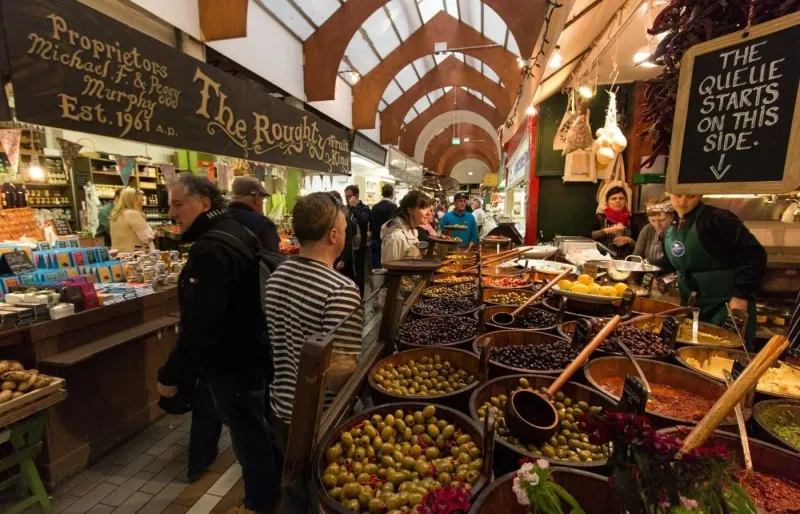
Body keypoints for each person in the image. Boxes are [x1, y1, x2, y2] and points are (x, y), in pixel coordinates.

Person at [157, 174, 276, 514]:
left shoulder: (209, 248)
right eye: (170, 205)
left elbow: (201, 325)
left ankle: (259, 504)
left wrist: (171, 374)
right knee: (257, 430)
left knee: (248, 439)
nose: (172, 213)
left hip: (232, 364)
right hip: (253, 354)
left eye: (179, 204)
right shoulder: (236, 232)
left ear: (204, 203)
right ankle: (268, 494)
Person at [264, 192, 363, 451]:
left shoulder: (277, 275)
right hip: (320, 417)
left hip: (281, 407)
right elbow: (338, 373)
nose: (344, 234)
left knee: (289, 481)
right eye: (343, 228)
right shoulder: (340, 290)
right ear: (333, 235)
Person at [665, 193, 766, 347]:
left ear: (700, 194)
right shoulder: (673, 224)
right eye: (678, 195)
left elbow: (755, 255)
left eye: (691, 196)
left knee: (726, 357)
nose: (683, 201)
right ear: (669, 193)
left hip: (725, 305)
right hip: (694, 305)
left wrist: (740, 295)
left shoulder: (718, 219)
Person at [227, 176, 280, 252]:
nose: (262, 203)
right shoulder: (263, 224)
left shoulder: (219, 219)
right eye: (263, 199)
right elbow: (273, 259)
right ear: (257, 198)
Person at [382, 191, 432, 263]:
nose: (429, 213)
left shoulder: (412, 231)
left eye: (428, 208)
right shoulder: (396, 237)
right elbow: (391, 270)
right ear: (410, 210)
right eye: (424, 208)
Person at [589, 186, 638, 258]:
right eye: (613, 198)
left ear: (626, 202)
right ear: (607, 203)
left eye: (621, 198)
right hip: (601, 259)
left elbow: (640, 245)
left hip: (625, 262)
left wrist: (629, 240)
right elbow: (588, 237)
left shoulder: (631, 220)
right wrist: (606, 231)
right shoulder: (599, 218)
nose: (617, 201)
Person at [633, 198, 675, 270]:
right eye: (652, 220)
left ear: (672, 217)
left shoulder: (678, 231)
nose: (657, 225)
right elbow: (637, 256)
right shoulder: (648, 229)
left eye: (662, 220)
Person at [110, 187, 154, 252]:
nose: (142, 202)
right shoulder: (133, 214)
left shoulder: (115, 214)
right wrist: (154, 234)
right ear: (133, 200)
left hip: (119, 255)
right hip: (135, 256)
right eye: (140, 200)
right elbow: (146, 239)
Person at [345, 185, 371, 296]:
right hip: (348, 246)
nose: (347, 199)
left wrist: (354, 208)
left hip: (359, 246)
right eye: (346, 197)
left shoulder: (364, 208)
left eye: (349, 196)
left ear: (356, 196)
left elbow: (362, 221)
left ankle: (360, 297)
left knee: (359, 272)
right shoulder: (347, 209)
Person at [330, 190, 356, 283]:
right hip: (336, 255)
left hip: (343, 256)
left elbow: (347, 239)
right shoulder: (334, 216)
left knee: (345, 279)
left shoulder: (343, 216)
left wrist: (343, 259)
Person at [370, 184, 396, 269]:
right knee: (388, 264)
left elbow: (371, 224)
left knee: (376, 265)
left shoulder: (375, 207)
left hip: (375, 238)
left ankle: (377, 281)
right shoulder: (393, 207)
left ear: (382, 194)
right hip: (388, 239)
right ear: (392, 194)